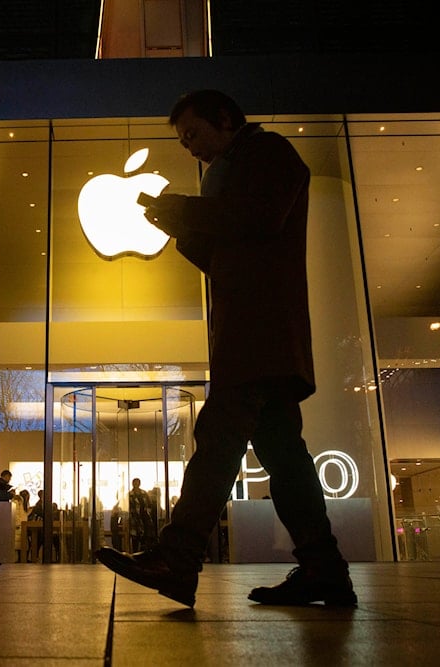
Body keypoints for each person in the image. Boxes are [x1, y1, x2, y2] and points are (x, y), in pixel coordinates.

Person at [96, 90, 355, 608]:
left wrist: (188, 212)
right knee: (284, 455)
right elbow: (229, 250)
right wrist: (181, 225)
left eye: (192, 134)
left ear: (224, 118)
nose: (189, 147)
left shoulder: (268, 153)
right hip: (259, 329)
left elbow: (259, 218)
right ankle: (324, 569)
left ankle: (180, 555)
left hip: (257, 329)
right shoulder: (241, 164)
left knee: (220, 438)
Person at [128, 478, 152, 552]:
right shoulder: (130, 495)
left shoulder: (144, 493)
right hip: (134, 517)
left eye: (138, 483)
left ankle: (143, 551)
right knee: (135, 535)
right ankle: (135, 552)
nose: (136, 485)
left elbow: (149, 504)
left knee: (144, 535)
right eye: (135, 483)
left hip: (144, 516)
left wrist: (148, 511)